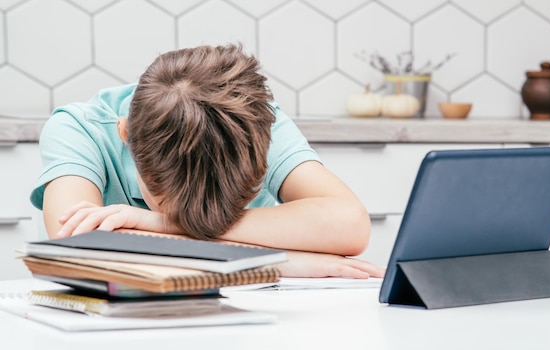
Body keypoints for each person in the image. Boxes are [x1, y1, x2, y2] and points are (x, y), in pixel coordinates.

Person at [30, 44, 384, 279]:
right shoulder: (79, 129)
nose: (199, 219)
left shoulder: (253, 122)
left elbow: (349, 225)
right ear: (125, 135)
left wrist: (159, 222)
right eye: (171, 203)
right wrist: (281, 262)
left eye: (231, 202)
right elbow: (76, 256)